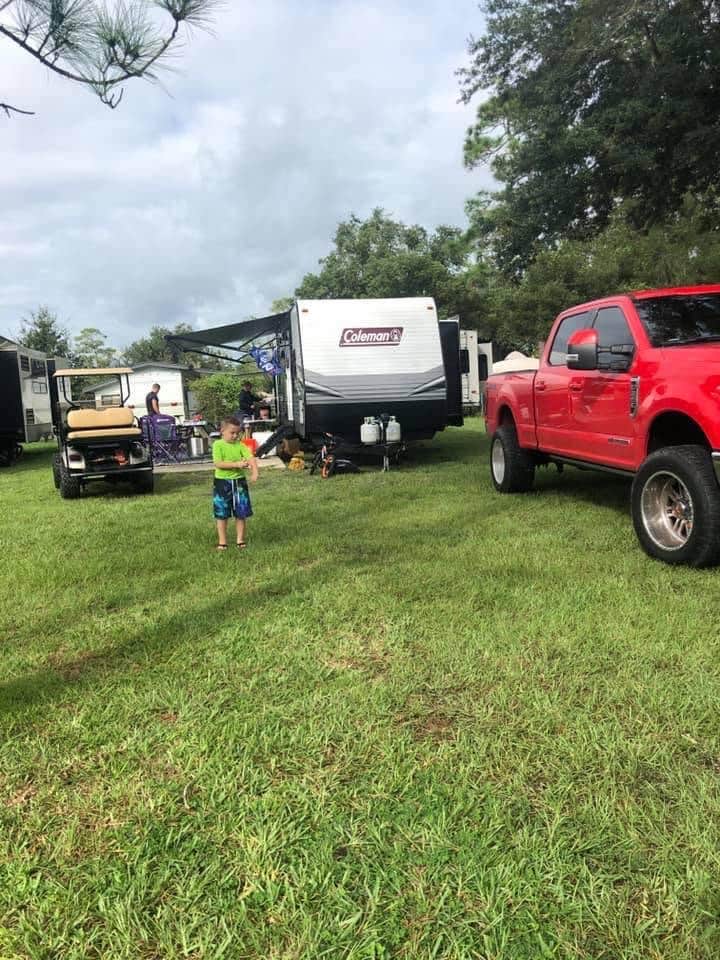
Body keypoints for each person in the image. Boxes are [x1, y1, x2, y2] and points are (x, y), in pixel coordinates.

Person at [212, 415, 259, 551]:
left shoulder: (240, 445)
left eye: (237, 433)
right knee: (222, 513)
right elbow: (218, 463)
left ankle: (240, 540)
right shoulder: (218, 445)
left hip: (239, 483)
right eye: (232, 433)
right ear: (222, 431)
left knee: (241, 512)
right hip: (222, 483)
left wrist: (255, 471)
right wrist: (237, 464)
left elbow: (250, 458)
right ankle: (222, 542)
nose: (235, 436)